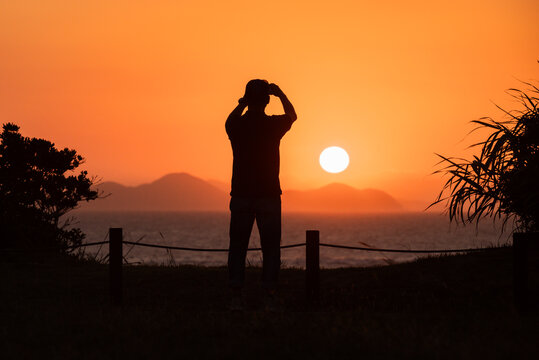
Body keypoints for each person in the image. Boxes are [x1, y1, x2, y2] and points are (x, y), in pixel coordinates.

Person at [225, 79, 297, 310]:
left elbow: (230, 120)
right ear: (267, 100)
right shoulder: (272, 126)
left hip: (242, 194)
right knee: (271, 247)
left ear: (247, 99)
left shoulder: (236, 125)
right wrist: (281, 94)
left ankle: (236, 295)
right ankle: (269, 293)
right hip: (268, 194)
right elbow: (292, 115)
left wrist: (242, 104)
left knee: (237, 246)